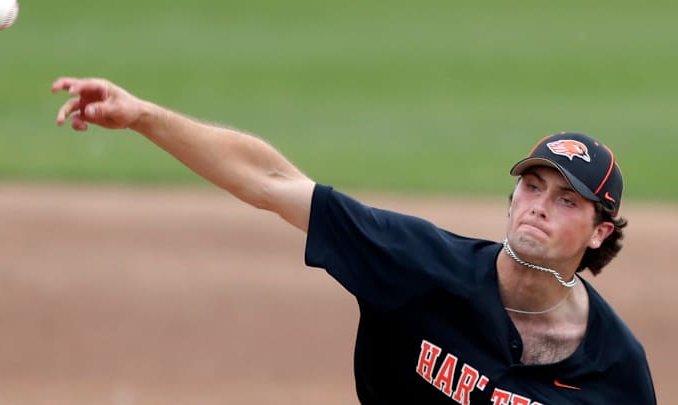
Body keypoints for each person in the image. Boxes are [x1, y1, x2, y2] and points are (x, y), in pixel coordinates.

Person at [51, 77, 656, 404]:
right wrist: (143, 117)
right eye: (531, 186)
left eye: (566, 200)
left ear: (600, 231)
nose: (538, 208)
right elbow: (272, 181)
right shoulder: (419, 265)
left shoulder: (617, 370)